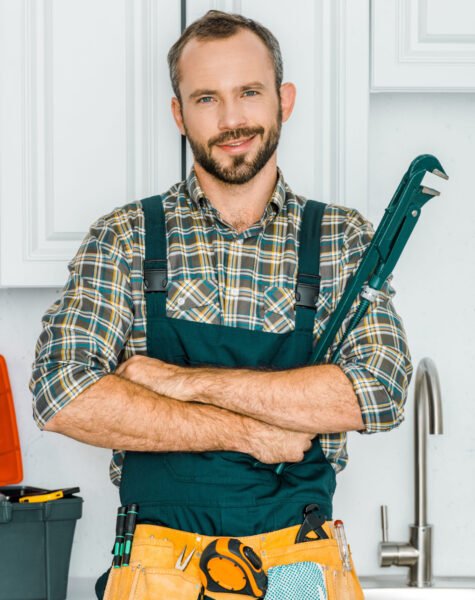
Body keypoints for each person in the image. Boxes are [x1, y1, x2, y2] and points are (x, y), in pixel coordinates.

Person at [30, 10, 412, 600]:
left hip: (299, 569)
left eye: (249, 92)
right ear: (179, 114)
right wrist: (246, 433)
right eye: (207, 98)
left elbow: (378, 391)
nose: (232, 119)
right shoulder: (126, 237)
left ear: (284, 100)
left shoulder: (343, 240)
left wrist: (179, 383)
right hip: (158, 567)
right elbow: (62, 392)